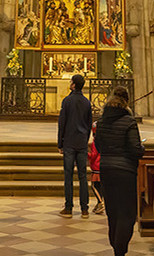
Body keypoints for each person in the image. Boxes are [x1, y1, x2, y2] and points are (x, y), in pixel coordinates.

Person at [96, 86, 143, 256]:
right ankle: (120, 250)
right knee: (127, 213)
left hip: (106, 168)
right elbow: (135, 149)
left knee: (113, 211)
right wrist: (141, 148)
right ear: (127, 101)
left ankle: (116, 246)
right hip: (125, 171)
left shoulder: (101, 121)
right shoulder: (129, 121)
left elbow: (99, 147)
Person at [57, 72, 93, 217]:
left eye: (71, 82)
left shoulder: (67, 101)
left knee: (68, 175)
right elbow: (89, 124)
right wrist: (85, 139)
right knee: (83, 176)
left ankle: (68, 208)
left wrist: (60, 143)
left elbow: (62, 124)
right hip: (82, 142)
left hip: (69, 143)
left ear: (73, 85)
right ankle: (85, 209)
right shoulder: (86, 102)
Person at [87, 122, 104, 213]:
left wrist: (87, 154)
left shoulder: (95, 142)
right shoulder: (103, 140)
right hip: (102, 165)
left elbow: (93, 155)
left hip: (96, 167)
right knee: (100, 186)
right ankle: (98, 204)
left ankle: (101, 203)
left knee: (94, 186)